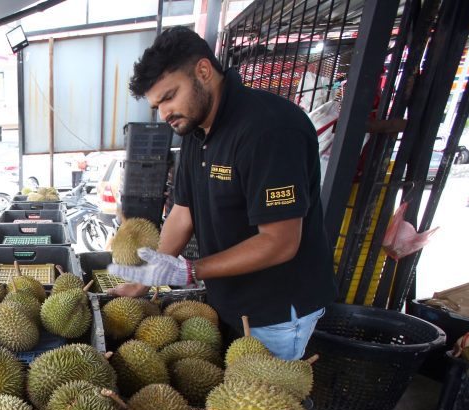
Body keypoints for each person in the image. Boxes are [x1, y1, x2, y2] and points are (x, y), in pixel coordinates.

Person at [108, 26, 336, 360]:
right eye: (157, 105)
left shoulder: (269, 130)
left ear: (203, 71)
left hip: (275, 311)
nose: (165, 113)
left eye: (169, 96)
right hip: (229, 299)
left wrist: (190, 270)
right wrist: (147, 278)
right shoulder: (195, 132)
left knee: (265, 404)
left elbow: (280, 241)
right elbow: (182, 214)